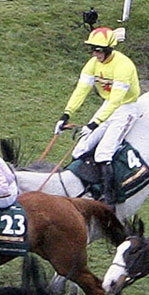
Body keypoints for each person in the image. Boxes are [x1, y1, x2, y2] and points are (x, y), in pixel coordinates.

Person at [53, 27, 141, 208]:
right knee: (80, 149)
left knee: (104, 153)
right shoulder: (93, 64)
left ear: (109, 49)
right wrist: (66, 114)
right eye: (92, 49)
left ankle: (108, 198)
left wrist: (94, 123)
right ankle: (85, 186)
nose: (95, 53)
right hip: (107, 105)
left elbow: (117, 99)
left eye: (98, 50)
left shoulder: (123, 66)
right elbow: (81, 90)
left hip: (125, 108)